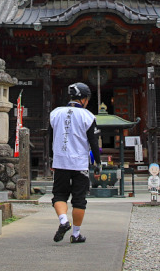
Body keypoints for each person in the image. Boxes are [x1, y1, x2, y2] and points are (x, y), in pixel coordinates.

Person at [49, 82, 101, 244]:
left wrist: (51, 158)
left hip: (60, 161)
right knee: (79, 199)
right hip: (80, 164)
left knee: (59, 195)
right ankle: (76, 234)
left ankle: (63, 221)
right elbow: (93, 142)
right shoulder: (88, 116)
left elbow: (50, 138)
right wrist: (97, 163)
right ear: (84, 99)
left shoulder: (55, 113)